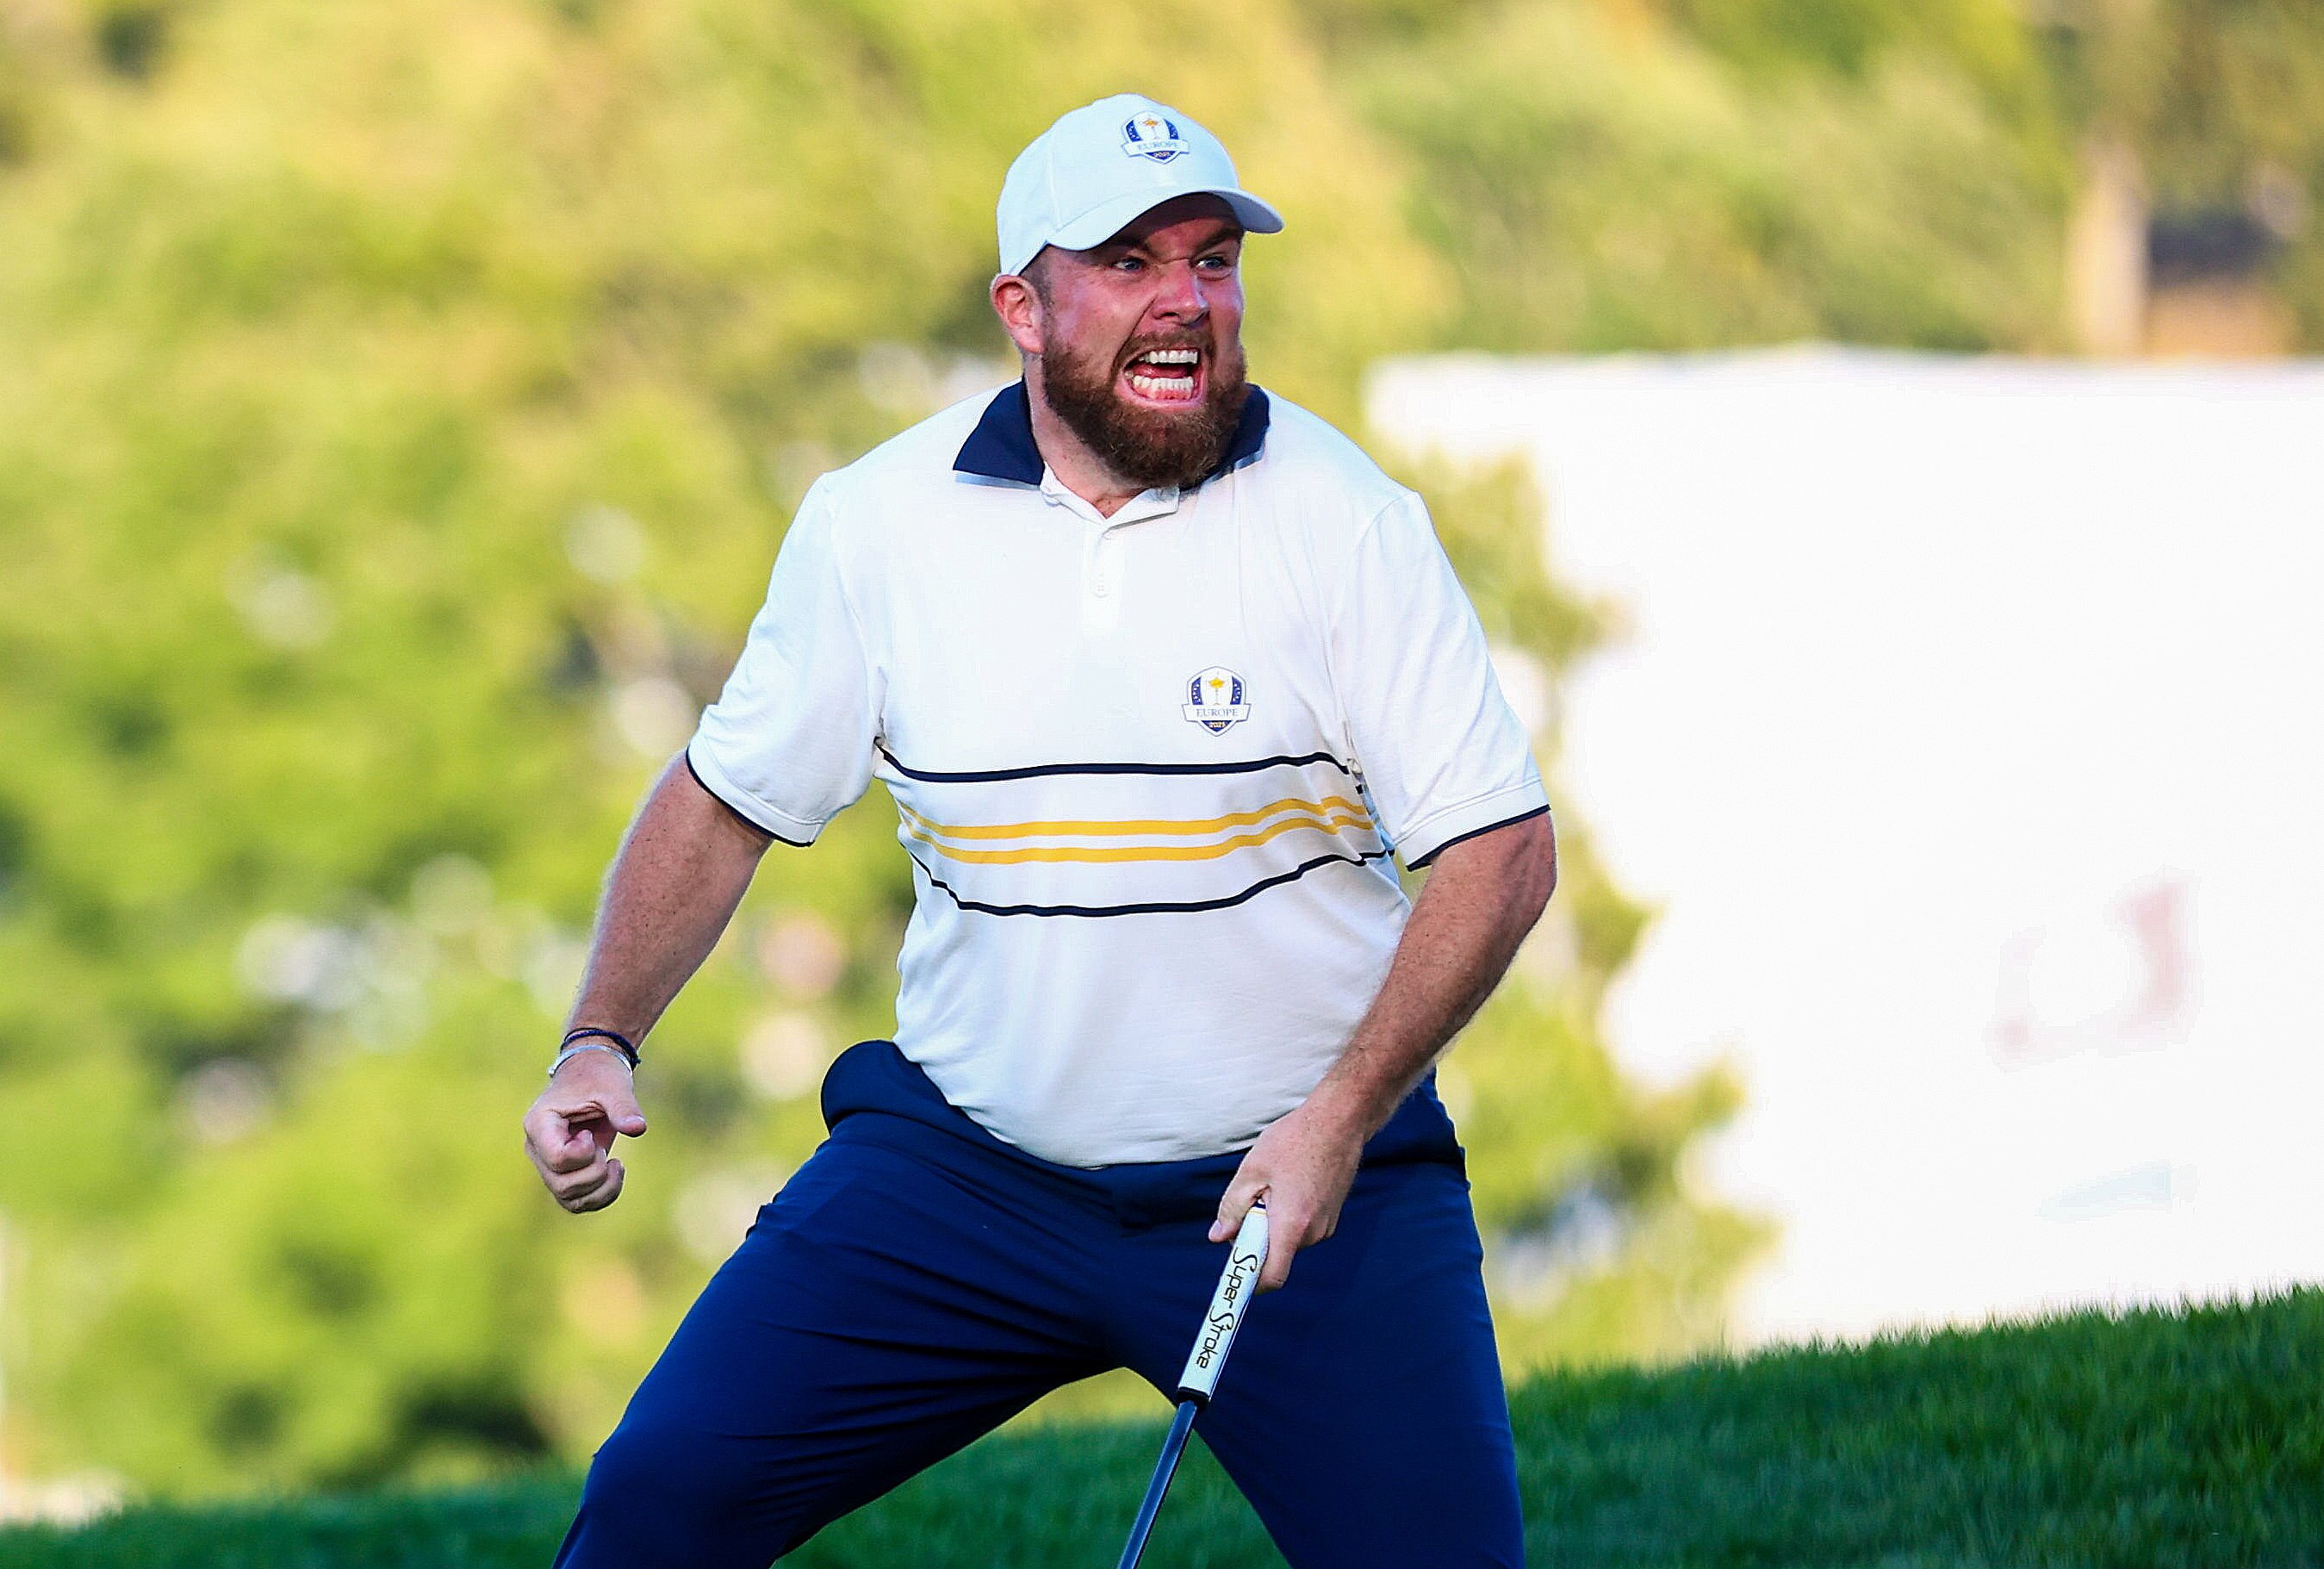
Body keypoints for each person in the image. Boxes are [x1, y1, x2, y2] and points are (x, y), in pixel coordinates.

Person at [525, 93, 1557, 1569]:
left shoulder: (1342, 519)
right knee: (657, 1502)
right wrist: (598, 1040)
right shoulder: (878, 525)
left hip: (1300, 1178)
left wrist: (1338, 1118)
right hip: (967, 1179)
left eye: (1211, 261)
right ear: (1021, 306)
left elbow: (1498, 849)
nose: (1185, 300)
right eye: (1129, 263)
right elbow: (722, 798)